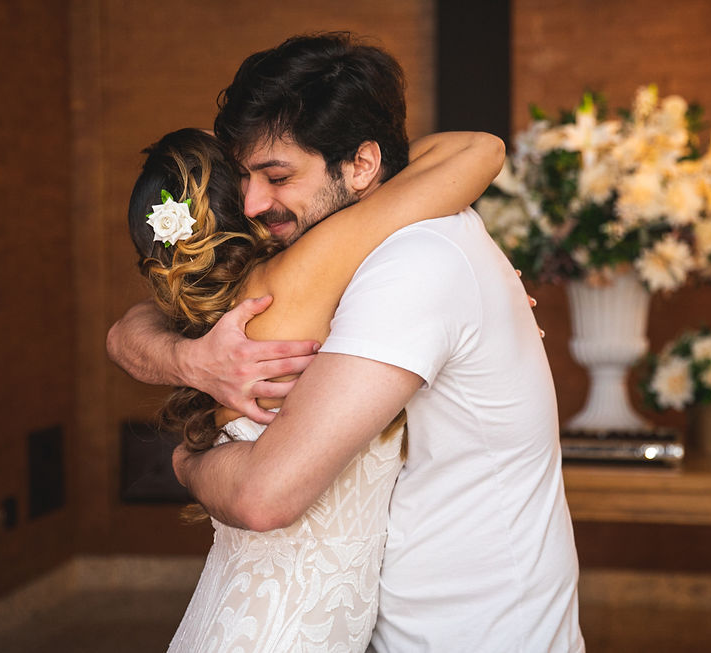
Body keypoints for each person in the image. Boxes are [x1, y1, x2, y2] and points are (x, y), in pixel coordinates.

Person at [109, 33, 584, 652]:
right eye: (243, 177)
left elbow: (263, 495)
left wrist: (184, 461)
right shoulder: (341, 259)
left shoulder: (411, 260)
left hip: (476, 632)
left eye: (277, 175)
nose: (251, 203)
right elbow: (131, 327)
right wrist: (190, 357)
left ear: (361, 166)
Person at [127, 126, 503, 650]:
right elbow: (478, 149)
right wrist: (353, 160)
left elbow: (128, 326)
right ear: (242, 207)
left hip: (233, 619)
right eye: (249, 174)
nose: (262, 189)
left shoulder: (207, 319)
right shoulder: (303, 273)